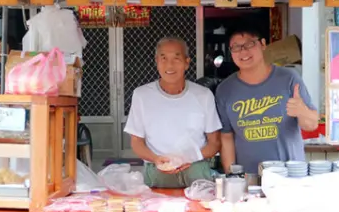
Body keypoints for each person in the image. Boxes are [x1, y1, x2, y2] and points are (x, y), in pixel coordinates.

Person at [216, 26, 319, 174]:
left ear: (263, 44)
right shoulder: (225, 89)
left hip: (290, 175)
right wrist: (232, 176)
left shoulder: (288, 78)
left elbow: (311, 124)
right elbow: (226, 137)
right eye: (236, 47)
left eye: (249, 44)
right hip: (249, 179)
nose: (243, 52)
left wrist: (302, 111)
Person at [125, 38, 221, 188]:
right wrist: (156, 159)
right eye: (164, 58)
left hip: (196, 169)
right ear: (157, 61)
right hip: (158, 172)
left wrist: (190, 158)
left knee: (201, 210)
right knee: (155, 210)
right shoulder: (142, 95)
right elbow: (136, 142)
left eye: (176, 58)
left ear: (187, 62)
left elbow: (214, 143)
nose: (169, 65)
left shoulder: (204, 95)